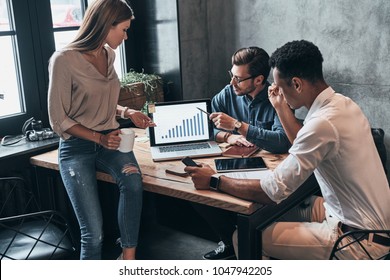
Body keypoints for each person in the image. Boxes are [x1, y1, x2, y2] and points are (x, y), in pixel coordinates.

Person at [185, 40, 390, 259]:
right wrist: (281, 107)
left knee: (243, 236)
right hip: (365, 220)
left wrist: (214, 180)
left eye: (278, 87)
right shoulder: (342, 104)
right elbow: (300, 141)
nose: (274, 91)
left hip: (357, 240)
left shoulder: (322, 123)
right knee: (266, 219)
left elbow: (271, 191)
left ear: (297, 84)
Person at [48, 0, 155, 260]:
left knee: (132, 182)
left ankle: (127, 259)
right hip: (76, 149)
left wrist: (127, 112)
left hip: (112, 140)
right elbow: (58, 119)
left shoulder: (109, 55)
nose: (126, 36)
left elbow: (100, 98)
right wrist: (99, 137)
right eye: (124, 29)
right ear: (106, 25)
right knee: (92, 233)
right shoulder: (64, 60)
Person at [193, 47, 291, 260]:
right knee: (199, 188)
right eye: (232, 76)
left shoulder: (276, 98)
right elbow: (205, 126)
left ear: (258, 80)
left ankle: (249, 247)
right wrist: (226, 137)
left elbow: (283, 141)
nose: (232, 83)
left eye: (238, 79)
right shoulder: (228, 94)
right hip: (234, 165)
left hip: (268, 171)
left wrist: (239, 126)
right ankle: (231, 241)